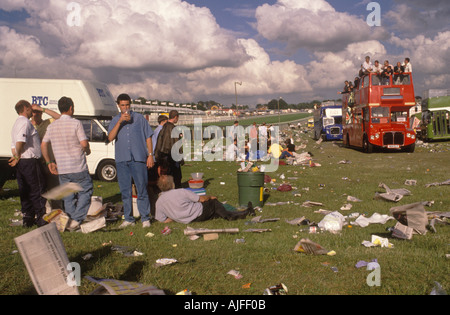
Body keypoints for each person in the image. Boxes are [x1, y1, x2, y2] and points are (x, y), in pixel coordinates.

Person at [41, 97, 93, 230]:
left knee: (68, 196)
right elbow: (84, 143)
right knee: (86, 191)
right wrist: (87, 150)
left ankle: (69, 220)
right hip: (78, 166)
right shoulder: (76, 123)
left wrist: (49, 162)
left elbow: (43, 144)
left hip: (63, 168)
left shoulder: (52, 126)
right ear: (71, 108)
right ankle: (76, 219)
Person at [108, 93, 154, 228]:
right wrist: (120, 121)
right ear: (118, 106)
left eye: (127, 105)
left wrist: (150, 155)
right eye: (122, 105)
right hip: (122, 159)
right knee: (125, 190)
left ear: (130, 104)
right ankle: (128, 218)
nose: (125, 108)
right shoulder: (115, 120)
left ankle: (145, 217)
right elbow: (110, 137)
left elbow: (148, 137)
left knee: (142, 188)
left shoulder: (139, 118)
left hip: (138, 158)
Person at [155, 175, 255, 224]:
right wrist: (211, 197)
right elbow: (201, 199)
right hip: (198, 213)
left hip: (189, 221)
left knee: (216, 212)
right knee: (214, 203)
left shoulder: (159, 202)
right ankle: (231, 216)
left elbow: (162, 220)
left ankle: (245, 212)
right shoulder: (181, 191)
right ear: (172, 184)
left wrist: (176, 216)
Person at [9, 100, 47, 228]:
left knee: (25, 190)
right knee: (37, 190)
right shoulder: (24, 122)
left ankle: (28, 218)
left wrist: (16, 156)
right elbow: (20, 141)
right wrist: (17, 155)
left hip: (23, 162)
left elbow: (13, 145)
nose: (32, 111)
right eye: (31, 108)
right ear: (25, 108)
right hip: (30, 160)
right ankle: (41, 219)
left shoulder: (16, 123)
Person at [31, 104, 62, 210]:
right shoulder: (28, 125)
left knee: (54, 189)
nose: (36, 114)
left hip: (50, 162)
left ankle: (57, 212)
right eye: (33, 111)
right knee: (39, 190)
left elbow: (60, 117)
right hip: (36, 162)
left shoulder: (48, 123)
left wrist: (42, 109)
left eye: (38, 112)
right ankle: (41, 213)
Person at [154, 110, 183, 189]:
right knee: (176, 178)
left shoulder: (163, 127)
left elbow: (159, 142)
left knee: (168, 177)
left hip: (163, 156)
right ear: (176, 117)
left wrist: (157, 155)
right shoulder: (173, 128)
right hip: (171, 157)